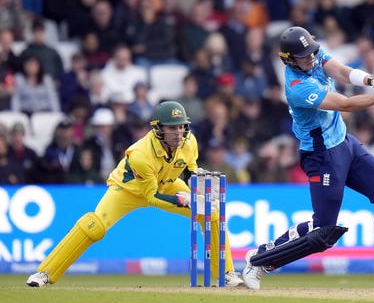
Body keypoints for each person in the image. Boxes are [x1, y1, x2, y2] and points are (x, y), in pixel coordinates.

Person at [241, 26, 374, 290]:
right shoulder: (297, 87)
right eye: (303, 56)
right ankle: (259, 259)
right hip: (321, 156)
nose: (311, 58)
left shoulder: (314, 56)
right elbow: (344, 104)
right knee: (323, 232)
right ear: (289, 59)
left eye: (311, 52)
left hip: (345, 143)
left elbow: (342, 71)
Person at [26, 100, 242, 287]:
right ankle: (45, 272)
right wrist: (183, 201)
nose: (179, 133)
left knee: (211, 212)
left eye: (182, 127)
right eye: (173, 128)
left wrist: (199, 184)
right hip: (128, 190)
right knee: (94, 226)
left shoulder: (189, 141)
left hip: (167, 183)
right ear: (159, 129)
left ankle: (226, 274)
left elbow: (188, 170)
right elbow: (151, 197)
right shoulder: (141, 154)